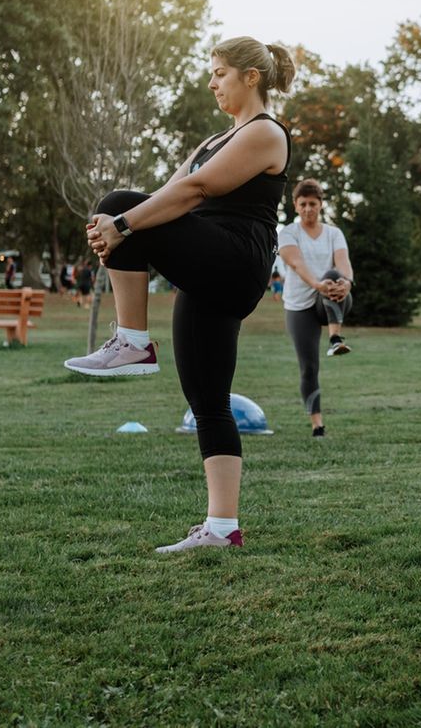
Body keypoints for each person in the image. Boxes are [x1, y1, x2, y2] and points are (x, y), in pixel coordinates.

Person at [64, 36, 293, 554]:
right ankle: (222, 528)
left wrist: (121, 222)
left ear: (250, 77)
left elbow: (196, 192)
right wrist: (114, 232)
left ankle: (132, 340)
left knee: (118, 204)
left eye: (219, 73)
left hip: (236, 259)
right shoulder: (212, 139)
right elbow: (166, 196)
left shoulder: (266, 134)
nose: (212, 82)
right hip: (207, 265)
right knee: (209, 403)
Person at [277, 177, 355, 438]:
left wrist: (345, 283)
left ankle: (335, 337)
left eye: (313, 203)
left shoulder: (333, 233)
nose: (309, 208)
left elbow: (344, 264)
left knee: (335, 272)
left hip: (333, 301)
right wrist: (318, 284)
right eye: (303, 204)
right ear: (295, 206)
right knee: (309, 367)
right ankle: (317, 424)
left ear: (321, 205)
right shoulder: (288, 233)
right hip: (301, 305)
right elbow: (297, 265)